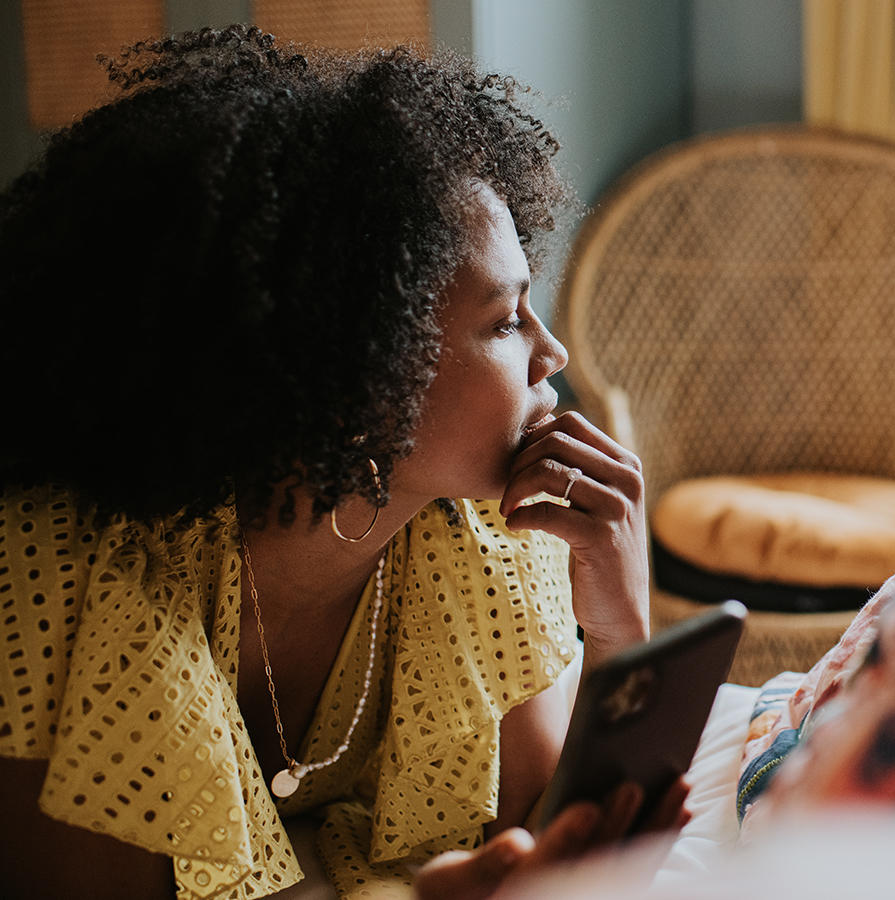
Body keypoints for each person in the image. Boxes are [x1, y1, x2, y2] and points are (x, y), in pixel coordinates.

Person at [0, 25, 683, 900]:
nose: (550, 352)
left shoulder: (493, 544)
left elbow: (552, 844)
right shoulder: (60, 575)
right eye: (507, 319)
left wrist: (624, 629)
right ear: (363, 365)